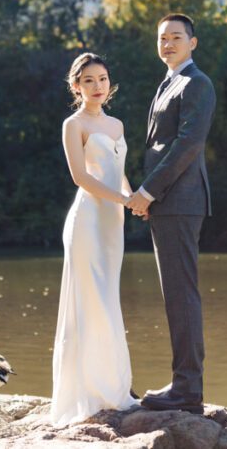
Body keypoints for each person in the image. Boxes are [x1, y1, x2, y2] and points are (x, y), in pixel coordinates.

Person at [126, 13, 216, 415]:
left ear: (192, 43)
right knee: (176, 295)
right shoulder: (169, 83)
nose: (168, 43)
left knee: (182, 295)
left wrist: (147, 192)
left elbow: (188, 145)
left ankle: (187, 389)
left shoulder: (197, 83)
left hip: (180, 201)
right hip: (168, 203)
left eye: (176, 37)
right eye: (162, 38)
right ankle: (184, 383)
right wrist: (152, 198)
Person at [50, 52, 138, 427]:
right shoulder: (74, 124)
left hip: (112, 223)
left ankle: (115, 388)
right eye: (89, 80)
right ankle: (86, 392)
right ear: (76, 86)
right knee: (90, 300)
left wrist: (135, 200)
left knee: (108, 299)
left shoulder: (117, 123)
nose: (98, 86)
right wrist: (123, 199)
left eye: (102, 79)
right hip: (88, 220)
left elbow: (119, 172)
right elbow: (81, 178)